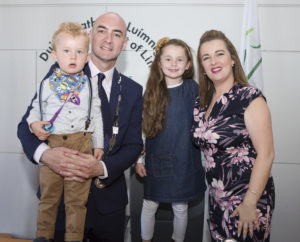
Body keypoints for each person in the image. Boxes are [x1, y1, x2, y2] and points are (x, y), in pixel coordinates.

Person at [17, 12, 143, 242]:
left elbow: (134, 145)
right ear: (91, 35)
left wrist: (102, 167)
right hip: (60, 202)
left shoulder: (134, 90)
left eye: (117, 34)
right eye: (102, 30)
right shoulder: (59, 76)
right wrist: (46, 155)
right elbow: (25, 127)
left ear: (124, 44)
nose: (108, 39)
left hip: (109, 209)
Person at [191, 30, 275, 242]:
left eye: (219, 54)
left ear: (232, 59)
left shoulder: (250, 98)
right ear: (202, 66)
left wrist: (250, 203)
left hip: (247, 200)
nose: (213, 61)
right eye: (206, 57)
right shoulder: (201, 102)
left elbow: (266, 154)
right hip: (217, 198)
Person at [26, 22, 104, 242]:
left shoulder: (89, 84)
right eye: (67, 51)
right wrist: (34, 125)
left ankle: (74, 238)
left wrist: (98, 144)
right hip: (53, 145)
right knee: (48, 199)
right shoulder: (48, 84)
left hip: (82, 145)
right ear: (54, 55)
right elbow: (35, 110)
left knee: (77, 202)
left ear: (87, 57)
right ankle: (42, 237)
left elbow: (96, 114)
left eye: (79, 52)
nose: (73, 56)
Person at [135, 37, 206, 242]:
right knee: (149, 204)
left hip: (185, 158)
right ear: (159, 63)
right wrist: (139, 159)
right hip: (156, 158)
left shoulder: (193, 89)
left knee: (180, 207)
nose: (173, 64)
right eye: (168, 59)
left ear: (188, 65)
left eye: (179, 60)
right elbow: (143, 128)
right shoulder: (151, 92)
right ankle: (145, 239)